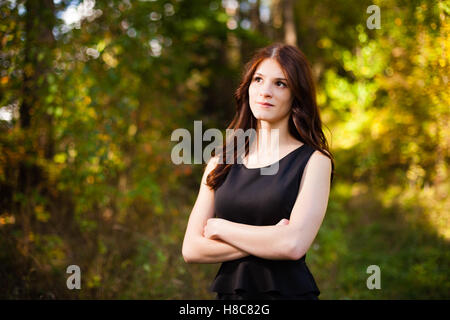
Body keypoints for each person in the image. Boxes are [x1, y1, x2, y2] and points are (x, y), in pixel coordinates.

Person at [182, 43, 334, 300]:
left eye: (280, 84)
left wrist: (222, 228)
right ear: (248, 87)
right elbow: (192, 249)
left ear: (297, 94)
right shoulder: (221, 161)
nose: (266, 91)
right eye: (258, 80)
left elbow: (293, 245)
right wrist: (270, 238)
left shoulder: (314, 161)